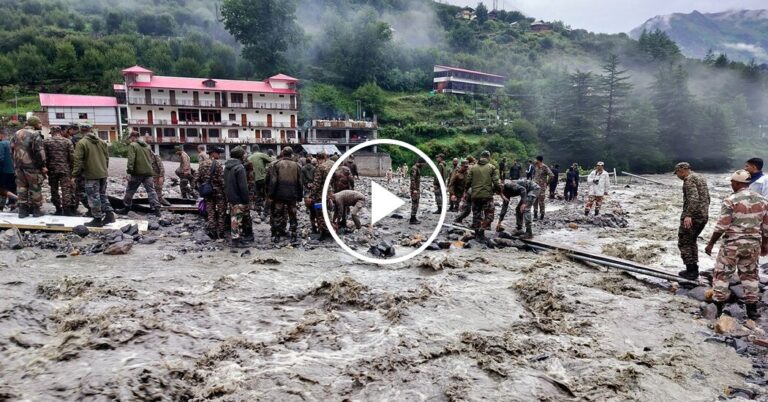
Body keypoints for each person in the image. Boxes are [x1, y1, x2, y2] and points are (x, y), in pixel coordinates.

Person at [704, 169, 768, 319]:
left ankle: (718, 309)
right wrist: (765, 244)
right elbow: (766, 227)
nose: (731, 184)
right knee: (750, 276)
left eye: (732, 182)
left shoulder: (730, 200)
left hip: (732, 244)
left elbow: (722, 226)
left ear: (738, 183)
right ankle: (752, 311)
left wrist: (711, 243)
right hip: (753, 244)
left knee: (722, 274)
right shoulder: (763, 200)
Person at [72, 123, 114, 227]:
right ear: (91, 129)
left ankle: (97, 219)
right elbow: (107, 158)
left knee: (93, 197)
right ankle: (109, 215)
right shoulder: (102, 142)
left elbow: (78, 160)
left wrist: (74, 175)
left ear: (81, 131)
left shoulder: (81, 143)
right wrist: (104, 169)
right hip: (103, 173)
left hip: (91, 174)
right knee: (102, 195)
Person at [674, 162, 711, 280]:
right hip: (703, 215)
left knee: (684, 241)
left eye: (677, 173)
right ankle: (694, 268)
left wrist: (688, 215)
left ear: (683, 170)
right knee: (692, 241)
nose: (677, 176)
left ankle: (691, 270)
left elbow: (693, 198)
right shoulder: (700, 177)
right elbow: (707, 198)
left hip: (693, 216)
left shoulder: (689, 180)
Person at [116, 132, 161, 216]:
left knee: (130, 190)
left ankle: (126, 208)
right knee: (151, 191)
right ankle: (157, 209)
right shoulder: (147, 146)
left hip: (137, 173)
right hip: (148, 172)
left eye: (130, 137)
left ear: (133, 137)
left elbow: (131, 160)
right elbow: (151, 159)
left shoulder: (133, 145)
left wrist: (129, 172)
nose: (130, 139)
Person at [11, 116, 47, 218]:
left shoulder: (17, 133)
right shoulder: (35, 134)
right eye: (39, 123)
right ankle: (36, 211)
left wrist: (15, 162)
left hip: (19, 166)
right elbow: (39, 152)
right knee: (35, 187)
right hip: (32, 167)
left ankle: (22, 211)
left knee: (21, 188)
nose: (41, 125)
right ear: (34, 124)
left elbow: (12, 149)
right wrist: (43, 165)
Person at [268, 147, 303, 242]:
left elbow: (273, 181)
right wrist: (300, 196)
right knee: (293, 214)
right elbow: (300, 183)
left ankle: (277, 235)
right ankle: (294, 234)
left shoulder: (277, 164)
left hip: (279, 195)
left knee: (278, 214)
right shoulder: (297, 166)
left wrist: (271, 194)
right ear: (291, 154)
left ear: (283, 153)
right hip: (292, 194)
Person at [464, 150, 500, 240]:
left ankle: (477, 234)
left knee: (476, 215)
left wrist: (465, 191)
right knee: (490, 215)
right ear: (488, 157)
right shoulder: (492, 167)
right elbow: (496, 181)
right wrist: (497, 190)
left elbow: (468, 181)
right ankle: (482, 230)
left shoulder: (473, 168)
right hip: (487, 196)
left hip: (475, 195)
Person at [44, 126, 77, 216]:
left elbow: (44, 156)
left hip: (52, 170)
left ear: (52, 132)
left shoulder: (46, 142)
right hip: (65, 169)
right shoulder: (67, 141)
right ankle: (67, 209)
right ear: (60, 132)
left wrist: (44, 167)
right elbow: (72, 157)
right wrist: (73, 169)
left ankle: (58, 209)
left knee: (54, 190)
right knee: (66, 190)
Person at [224, 146, 250, 248]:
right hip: (238, 197)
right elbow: (243, 186)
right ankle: (236, 241)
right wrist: (246, 200)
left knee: (234, 218)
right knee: (237, 219)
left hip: (230, 196)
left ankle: (236, 239)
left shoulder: (226, 167)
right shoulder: (240, 167)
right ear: (240, 155)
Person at [197, 147, 226, 239]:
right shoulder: (218, 164)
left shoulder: (202, 164)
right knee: (221, 212)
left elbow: (197, 178)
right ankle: (221, 233)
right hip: (219, 192)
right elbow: (222, 180)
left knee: (210, 212)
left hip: (208, 192)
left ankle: (212, 232)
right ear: (213, 153)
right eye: (218, 153)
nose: (219, 155)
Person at [311, 151, 334, 239]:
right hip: (328, 193)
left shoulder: (319, 168)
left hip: (320, 195)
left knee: (320, 214)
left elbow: (317, 183)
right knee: (328, 213)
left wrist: (312, 195)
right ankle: (331, 231)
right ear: (325, 157)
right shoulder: (328, 167)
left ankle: (323, 233)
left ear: (317, 158)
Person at [247, 145, 274, 215]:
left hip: (254, 179)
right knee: (267, 194)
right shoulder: (261, 155)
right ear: (258, 149)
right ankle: (266, 210)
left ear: (252, 150)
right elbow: (271, 161)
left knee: (257, 194)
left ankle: (258, 210)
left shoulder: (249, 157)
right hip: (263, 178)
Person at [532, 156, 553, 220]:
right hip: (535, 186)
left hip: (541, 187)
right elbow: (535, 175)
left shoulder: (544, 167)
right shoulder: (536, 166)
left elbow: (551, 175)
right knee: (534, 200)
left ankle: (542, 214)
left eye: (536, 160)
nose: (535, 161)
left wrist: (547, 183)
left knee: (541, 201)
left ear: (539, 160)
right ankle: (535, 214)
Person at [0, 130, 17, 211]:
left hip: (4, 171)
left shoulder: (1, 144)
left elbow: (1, 158)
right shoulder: (12, 144)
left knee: (2, 188)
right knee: (12, 187)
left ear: (1, 135)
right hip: (14, 170)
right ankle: (12, 205)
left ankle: (1, 206)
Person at [302, 157, 318, 233]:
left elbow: (302, 178)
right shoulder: (314, 168)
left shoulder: (303, 168)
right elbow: (316, 177)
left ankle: (307, 207)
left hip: (306, 186)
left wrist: (306, 184)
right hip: (313, 186)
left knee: (307, 198)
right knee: (314, 201)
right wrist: (313, 184)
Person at [409, 159, 424, 224]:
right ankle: (412, 219)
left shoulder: (416, 168)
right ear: (419, 163)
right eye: (423, 164)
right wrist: (414, 189)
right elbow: (412, 179)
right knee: (415, 203)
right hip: (415, 189)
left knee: (416, 203)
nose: (423, 166)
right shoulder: (414, 168)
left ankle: (413, 217)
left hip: (416, 189)